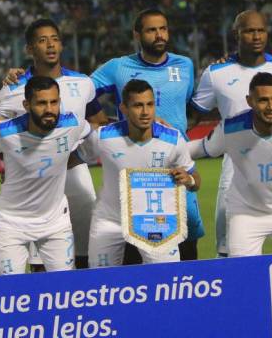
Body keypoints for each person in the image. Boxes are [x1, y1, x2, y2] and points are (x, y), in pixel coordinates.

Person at [190, 10, 272, 257]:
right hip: (236, 169)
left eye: (260, 30)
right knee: (229, 249)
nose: (256, 36)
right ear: (236, 34)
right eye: (249, 31)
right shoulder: (216, 73)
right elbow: (193, 115)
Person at [0, 18, 108, 270]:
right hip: (32, 180)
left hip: (74, 171)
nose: (50, 45)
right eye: (42, 40)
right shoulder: (13, 88)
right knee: (40, 261)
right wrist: (17, 164)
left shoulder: (82, 83)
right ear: (29, 49)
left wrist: (75, 157)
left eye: (55, 39)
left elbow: (99, 123)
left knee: (81, 252)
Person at [191, 72, 272, 257]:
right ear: (249, 101)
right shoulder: (230, 128)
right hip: (246, 212)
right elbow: (201, 148)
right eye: (263, 100)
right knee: (243, 273)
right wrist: (166, 146)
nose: (271, 107)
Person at [73, 80, 200, 266]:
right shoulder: (103, 137)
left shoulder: (173, 139)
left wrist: (187, 179)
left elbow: (196, 181)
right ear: (123, 108)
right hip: (110, 221)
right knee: (101, 283)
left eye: (149, 104)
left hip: (155, 223)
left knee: (166, 281)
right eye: (138, 105)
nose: (145, 112)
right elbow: (71, 160)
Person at [0, 76, 92, 274]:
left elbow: (98, 134)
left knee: (64, 288)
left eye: (54, 102)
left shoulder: (74, 124)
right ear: (26, 105)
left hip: (56, 222)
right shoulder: (4, 133)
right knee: (11, 291)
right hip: (11, 223)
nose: (49, 109)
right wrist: (12, 161)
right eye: (42, 103)